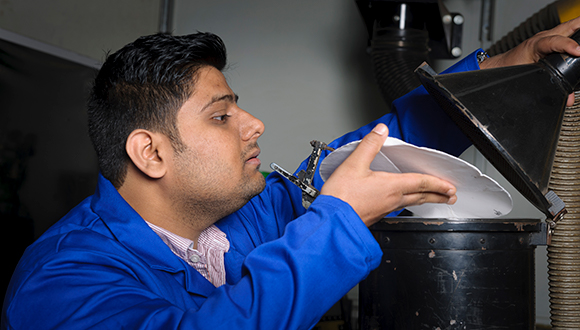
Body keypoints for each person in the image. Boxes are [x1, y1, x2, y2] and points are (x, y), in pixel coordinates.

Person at [3, 16, 580, 329]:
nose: (252, 123)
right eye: (222, 115)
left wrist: (498, 73)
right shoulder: (61, 284)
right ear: (150, 153)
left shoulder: (241, 218)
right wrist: (339, 222)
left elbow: (379, 146)